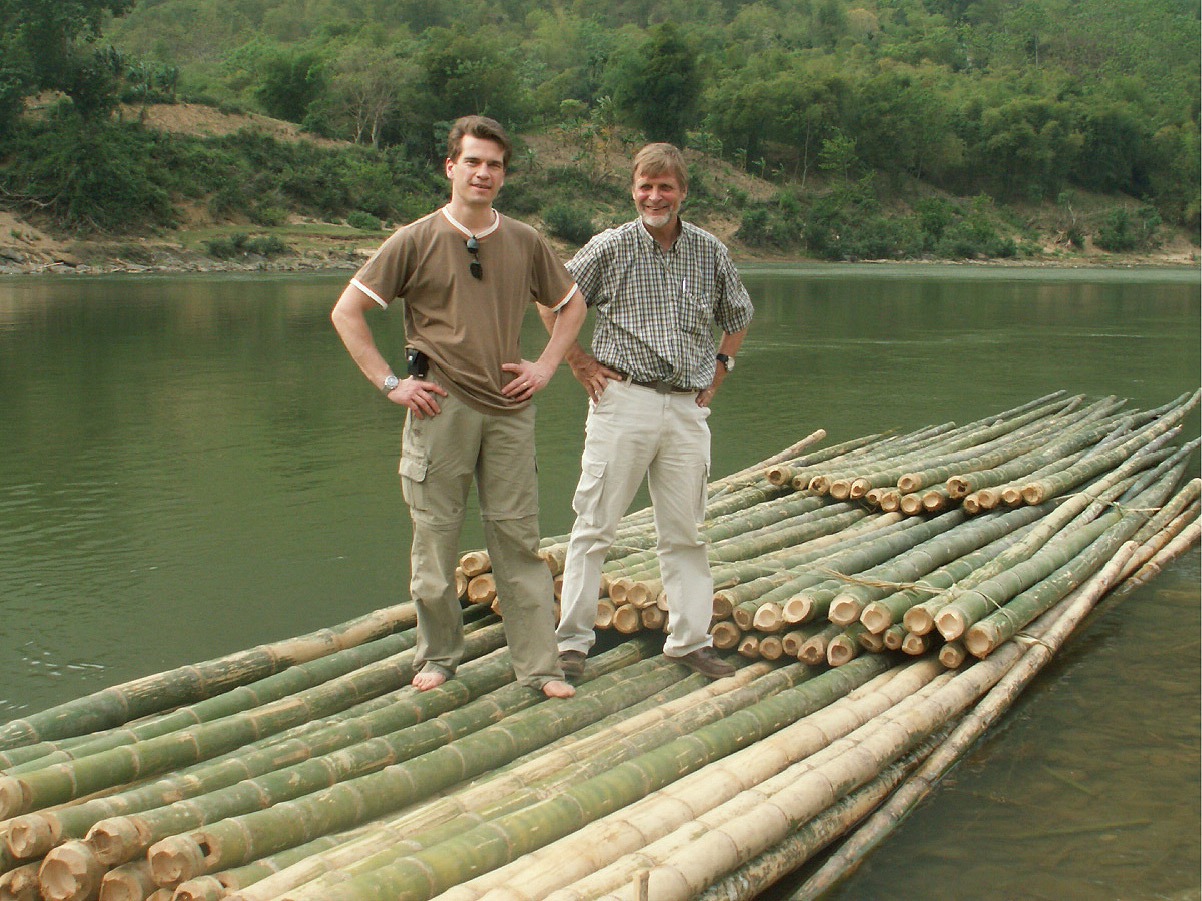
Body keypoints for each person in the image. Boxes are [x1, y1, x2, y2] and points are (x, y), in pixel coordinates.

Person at [331, 115, 585, 700]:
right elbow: (347, 313)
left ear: (504, 174)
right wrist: (392, 383)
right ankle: (440, 654)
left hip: (509, 409)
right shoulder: (414, 239)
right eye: (472, 161)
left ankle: (539, 667)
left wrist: (546, 366)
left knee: (517, 540)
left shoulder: (524, 240)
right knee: (435, 539)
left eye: (494, 164)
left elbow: (571, 306)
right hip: (437, 407)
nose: (483, 173)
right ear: (451, 166)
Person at [545, 142, 753, 682]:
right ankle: (570, 644)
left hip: (687, 408)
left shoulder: (710, 251)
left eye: (666, 187)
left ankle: (690, 641)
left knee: (686, 532)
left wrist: (722, 366)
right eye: (645, 185)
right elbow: (552, 301)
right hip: (622, 400)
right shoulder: (610, 247)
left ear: (683, 192)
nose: (654, 196)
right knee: (594, 527)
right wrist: (576, 360)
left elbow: (739, 314)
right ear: (632, 188)